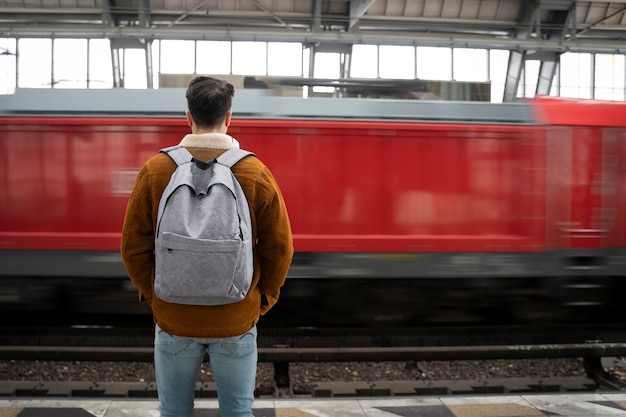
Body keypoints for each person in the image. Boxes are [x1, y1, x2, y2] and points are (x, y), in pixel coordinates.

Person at [120, 75, 294, 417]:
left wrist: (153, 295)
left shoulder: (157, 170)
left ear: (188, 116)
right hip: (236, 319)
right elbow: (280, 247)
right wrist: (261, 300)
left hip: (174, 319)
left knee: (173, 412)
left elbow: (132, 246)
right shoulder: (255, 172)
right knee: (238, 412)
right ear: (229, 117)